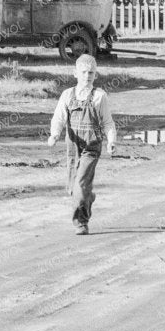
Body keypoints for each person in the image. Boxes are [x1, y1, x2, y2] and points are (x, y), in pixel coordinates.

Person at [47, 52, 115, 234]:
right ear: (75, 73)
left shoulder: (100, 96)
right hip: (73, 147)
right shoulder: (67, 95)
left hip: (91, 148)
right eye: (83, 72)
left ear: (96, 75)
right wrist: (54, 135)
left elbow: (108, 122)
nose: (87, 76)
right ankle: (88, 197)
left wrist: (111, 142)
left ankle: (81, 222)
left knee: (80, 185)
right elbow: (59, 118)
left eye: (91, 73)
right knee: (73, 188)